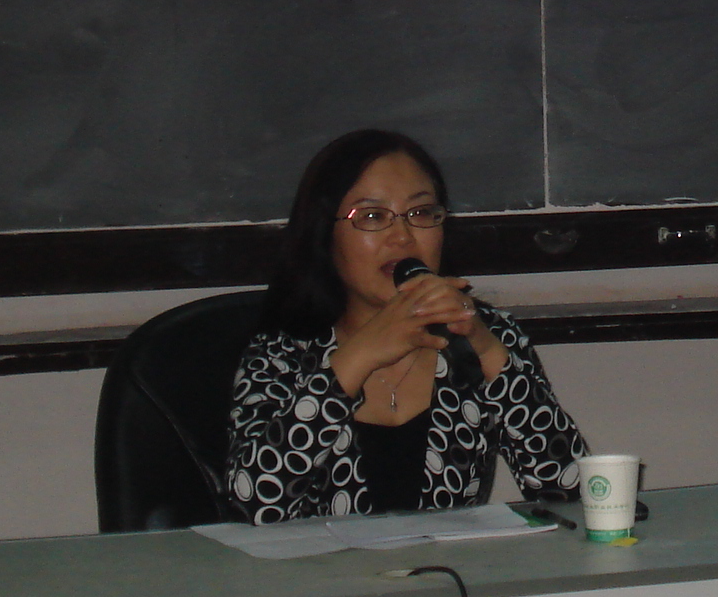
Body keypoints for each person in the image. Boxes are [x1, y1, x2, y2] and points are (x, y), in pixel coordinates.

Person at [226, 129, 588, 522]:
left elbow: (573, 492)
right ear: (324, 233)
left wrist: (486, 349)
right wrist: (359, 357)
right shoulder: (282, 353)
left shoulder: (486, 334)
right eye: (372, 216)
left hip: (453, 562)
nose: (402, 237)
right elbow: (255, 506)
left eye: (421, 213)